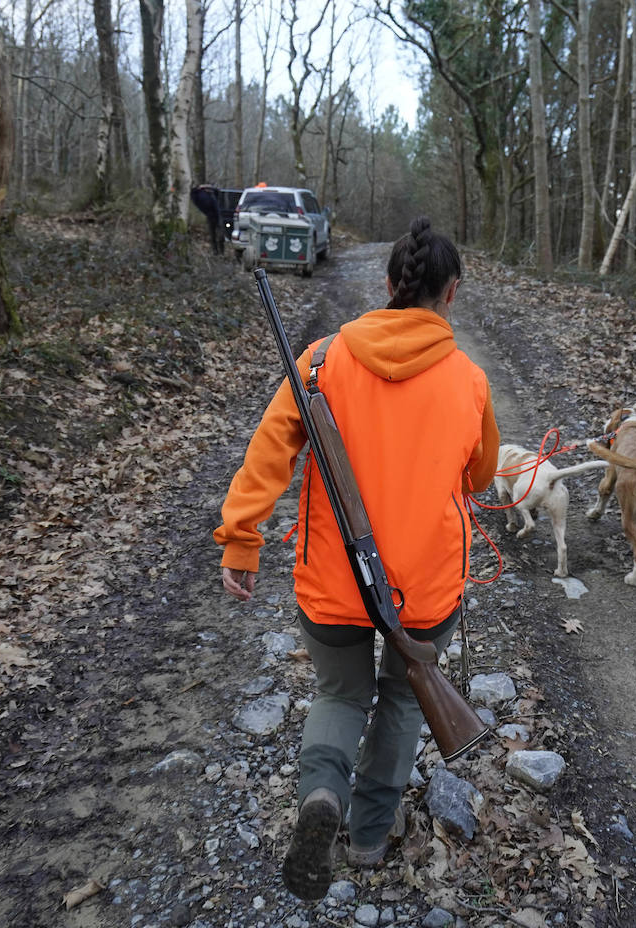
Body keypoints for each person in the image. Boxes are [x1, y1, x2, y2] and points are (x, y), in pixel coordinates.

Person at [214, 217, 500, 900]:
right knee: (402, 700)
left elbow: (267, 455)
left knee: (340, 693)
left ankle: (322, 796)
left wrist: (242, 538)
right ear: (452, 292)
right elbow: (483, 475)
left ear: (388, 282)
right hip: (427, 587)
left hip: (334, 581)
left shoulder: (318, 362)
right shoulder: (469, 381)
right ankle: (370, 836)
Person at [190, 183, 225, 254]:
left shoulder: (212, 193)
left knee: (221, 235)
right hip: (209, 216)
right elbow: (193, 193)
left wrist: (211, 188)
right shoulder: (198, 194)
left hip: (217, 215)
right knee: (213, 235)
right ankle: (215, 251)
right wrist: (200, 187)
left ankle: (221, 251)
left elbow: (218, 193)